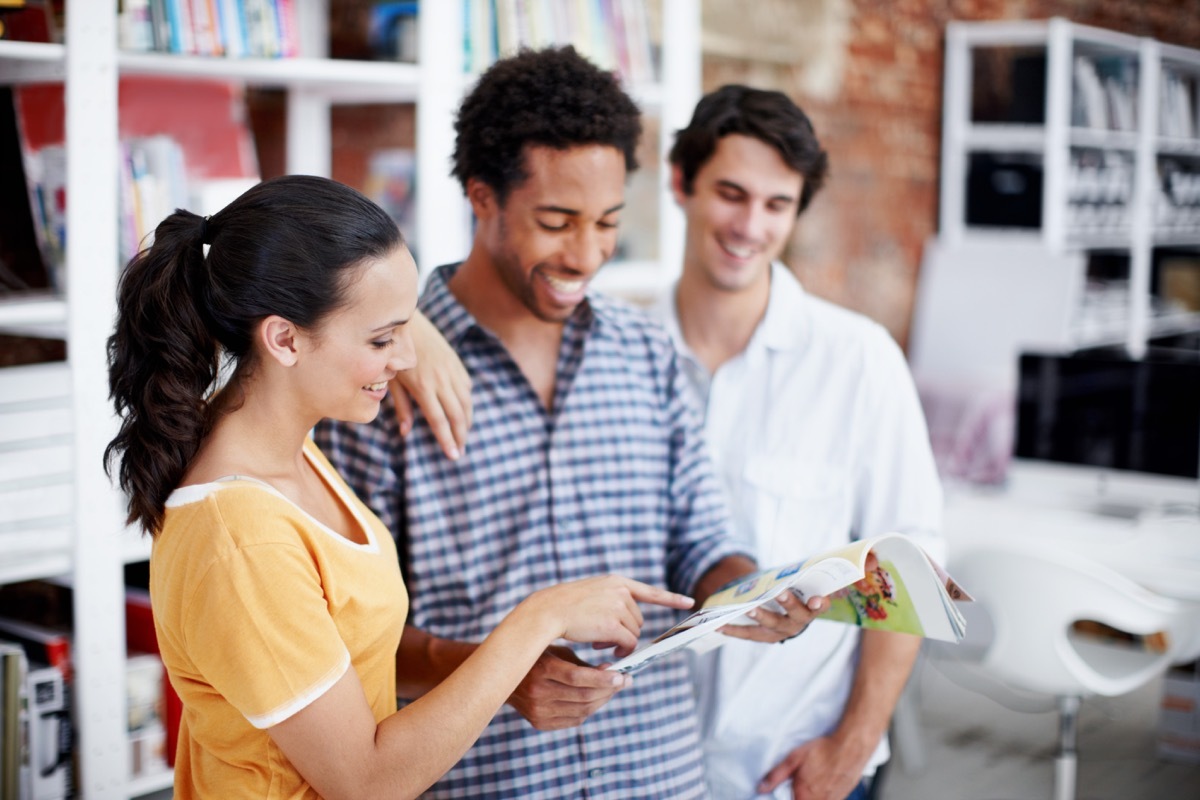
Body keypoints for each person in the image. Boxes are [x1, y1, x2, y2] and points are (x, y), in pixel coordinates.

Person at [315, 48, 811, 799]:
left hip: (659, 774)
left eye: (608, 222)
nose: (587, 254)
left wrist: (746, 590)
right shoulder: (385, 376)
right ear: (482, 199)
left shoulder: (645, 353)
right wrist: (495, 671)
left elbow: (702, 541)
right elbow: (348, 643)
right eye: (557, 221)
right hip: (484, 781)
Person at [102, 174, 695, 800]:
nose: (408, 358)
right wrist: (537, 619)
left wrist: (404, 332)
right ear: (283, 338)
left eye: (407, 328)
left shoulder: (287, 446)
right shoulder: (240, 540)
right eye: (383, 339)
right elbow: (367, 781)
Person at [656, 85, 945, 800]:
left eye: (777, 204)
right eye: (730, 193)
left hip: (790, 771)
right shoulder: (623, 353)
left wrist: (851, 746)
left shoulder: (859, 360)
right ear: (680, 184)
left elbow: (909, 565)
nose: (750, 225)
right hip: (640, 765)